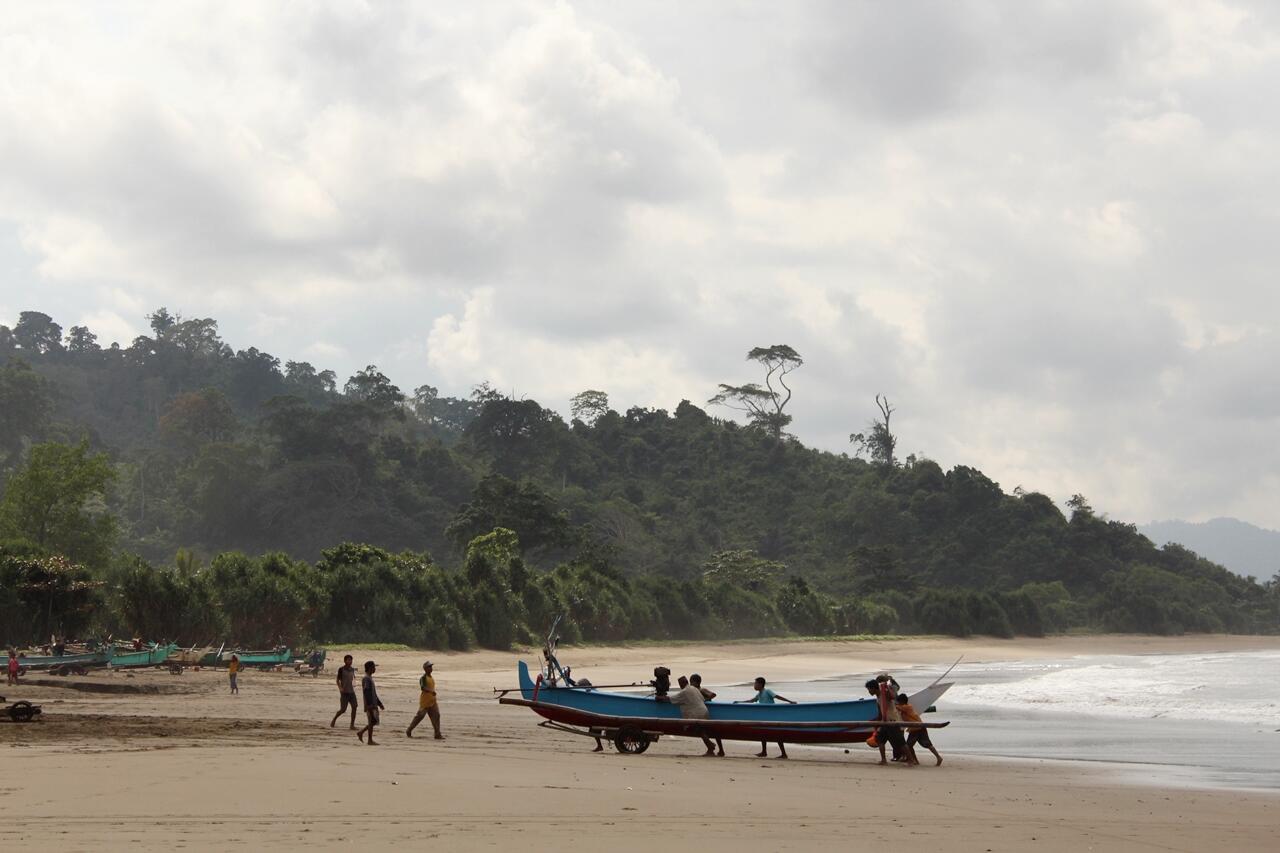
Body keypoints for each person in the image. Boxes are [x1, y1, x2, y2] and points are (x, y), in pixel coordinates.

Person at [735, 676, 796, 759]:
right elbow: (751, 700)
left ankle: (783, 754)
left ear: (760, 684)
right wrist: (739, 702)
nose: (754, 685)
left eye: (755, 683)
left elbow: (777, 696)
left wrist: (790, 701)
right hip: (764, 716)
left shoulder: (767, 691)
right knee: (763, 733)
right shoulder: (759, 693)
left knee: (777, 734)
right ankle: (764, 752)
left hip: (772, 717)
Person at [666, 675, 719, 757]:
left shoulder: (686, 691)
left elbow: (671, 699)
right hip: (704, 711)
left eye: (680, 684)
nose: (680, 686)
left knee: (698, 729)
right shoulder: (694, 689)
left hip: (697, 714)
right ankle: (711, 748)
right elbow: (702, 699)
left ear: (682, 684)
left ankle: (710, 746)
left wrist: (661, 698)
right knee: (701, 730)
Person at [866, 677, 906, 766]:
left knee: (900, 742)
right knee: (880, 740)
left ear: (874, 688)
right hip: (884, 722)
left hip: (892, 721)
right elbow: (880, 714)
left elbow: (892, 696)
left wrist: (886, 686)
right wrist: (875, 723)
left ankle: (910, 759)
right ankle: (884, 760)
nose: (869, 692)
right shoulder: (877, 699)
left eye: (869, 689)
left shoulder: (885, 694)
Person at [897, 693, 942, 766]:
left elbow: (897, 707)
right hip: (917, 727)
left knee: (910, 745)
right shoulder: (904, 708)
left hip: (917, 728)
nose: (898, 703)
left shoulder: (907, 707)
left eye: (899, 701)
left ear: (902, 701)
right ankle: (937, 757)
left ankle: (916, 760)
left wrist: (892, 702)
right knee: (926, 744)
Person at [406, 660, 444, 740]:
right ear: (425, 669)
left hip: (433, 701)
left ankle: (437, 734)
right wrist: (431, 691)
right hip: (425, 702)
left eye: (431, 667)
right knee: (420, 716)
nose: (431, 668)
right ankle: (409, 730)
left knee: (436, 716)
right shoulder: (423, 678)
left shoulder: (431, 677)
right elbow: (422, 687)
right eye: (429, 667)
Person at [690, 673, 724, 757]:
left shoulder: (701, 690)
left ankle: (713, 749)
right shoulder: (694, 691)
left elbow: (713, 694)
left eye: (691, 682)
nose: (690, 684)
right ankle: (720, 750)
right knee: (714, 733)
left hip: (706, 714)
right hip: (705, 714)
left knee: (702, 731)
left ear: (696, 682)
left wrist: (704, 700)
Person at [357, 660, 384, 745]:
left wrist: (379, 703)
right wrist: (369, 704)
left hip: (373, 703)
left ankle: (362, 734)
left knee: (373, 721)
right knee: (372, 721)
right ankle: (368, 739)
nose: (375, 669)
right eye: (373, 667)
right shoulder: (366, 679)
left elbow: (373, 693)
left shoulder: (369, 678)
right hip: (370, 704)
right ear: (369, 668)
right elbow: (366, 691)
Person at [331, 654, 358, 729]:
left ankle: (352, 725)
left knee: (355, 706)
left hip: (352, 692)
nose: (350, 661)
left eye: (351, 660)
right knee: (343, 709)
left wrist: (354, 684)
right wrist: (340, 688)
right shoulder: (341, 669)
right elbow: (337, 680)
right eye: (348, 660)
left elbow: (353, 678)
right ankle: (334, 719)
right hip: (344, 692)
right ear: (345, 661)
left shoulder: (352, 669)